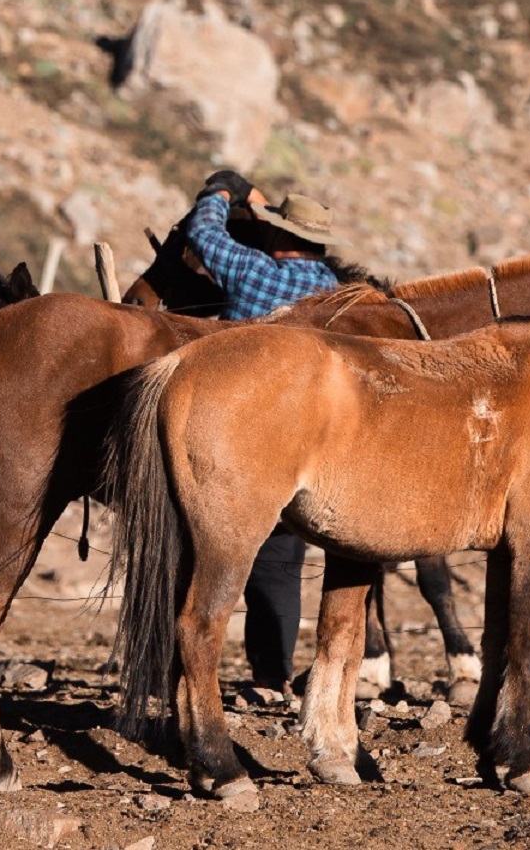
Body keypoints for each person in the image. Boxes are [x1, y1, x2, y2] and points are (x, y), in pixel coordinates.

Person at [186, 168, 340, 700]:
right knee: (280, 566)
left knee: (200, 553)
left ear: (277, 236)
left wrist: (221, 191)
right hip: (304, 440)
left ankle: (184, 671)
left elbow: (203, 235)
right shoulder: (338, 295)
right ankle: (272, 678)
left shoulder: (253, 272)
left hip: (234, 430)